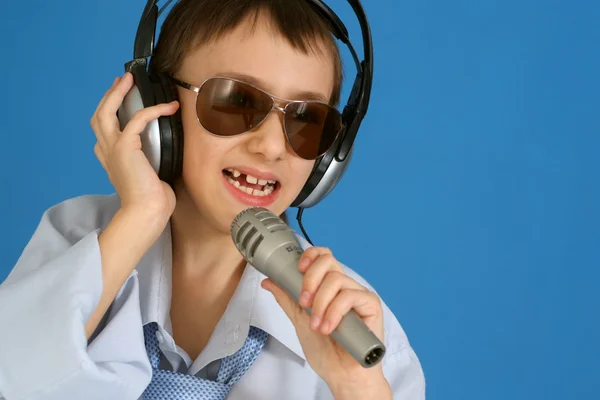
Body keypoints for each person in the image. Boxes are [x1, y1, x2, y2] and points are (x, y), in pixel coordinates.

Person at [0, 0, 425, 399]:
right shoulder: (77, 239)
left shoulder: (355, 323)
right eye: (236, 100)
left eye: (306, 120)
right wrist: (142, 215)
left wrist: (356, 386)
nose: (272, 147)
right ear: (155, 106)